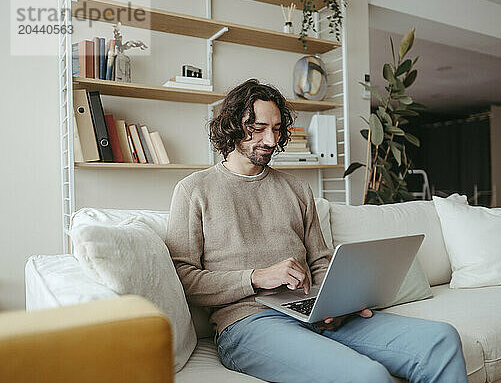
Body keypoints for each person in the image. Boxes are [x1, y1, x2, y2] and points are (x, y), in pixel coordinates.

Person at [165, 79, 469, 383]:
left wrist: (338, 303)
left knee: (441, 340)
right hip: (248, 322)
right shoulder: (194, 190)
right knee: (367, 376)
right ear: (232, 126)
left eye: (276, 129)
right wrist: (257, 277)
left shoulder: (296, 189)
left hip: (312, 308)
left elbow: (321, 261)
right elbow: (184, 277)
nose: (270, 140)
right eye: (257, 129)